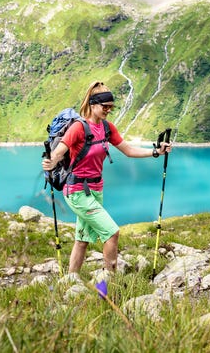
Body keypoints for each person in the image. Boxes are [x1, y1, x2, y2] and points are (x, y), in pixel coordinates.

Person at [41, 81, 172, 276]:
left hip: (95, 190)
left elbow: (127, 150)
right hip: (76, 191)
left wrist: (155, 152)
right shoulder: (78, 128)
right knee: (112, 233)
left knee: (82, 239)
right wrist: (50, 162)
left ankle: (70, 281)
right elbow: (60, 151)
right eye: (105, 107)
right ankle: (108, 284)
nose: (108, 110)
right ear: (93, 104)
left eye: (111, 107)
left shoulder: (107, 127)